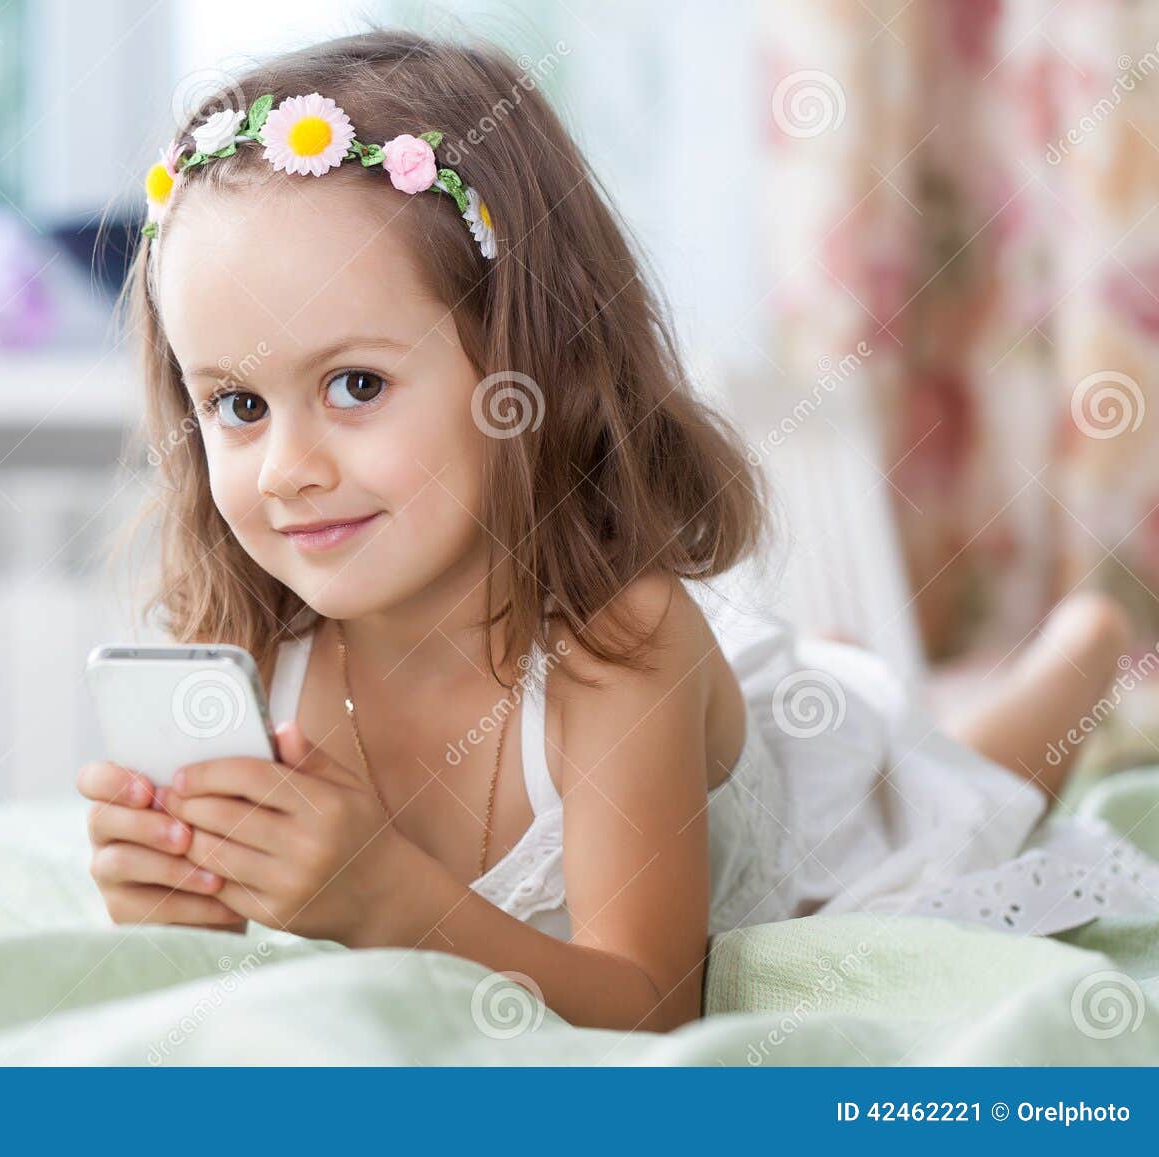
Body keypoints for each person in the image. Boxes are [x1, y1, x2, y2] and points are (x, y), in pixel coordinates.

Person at [76, 30, 1159, 1033]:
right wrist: (179, 892)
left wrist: (381, 894)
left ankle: (1087, 641)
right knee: (865, 693)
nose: (288, 469)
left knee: (976, 778)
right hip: (731, 713)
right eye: (237, 404)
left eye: (356, 383)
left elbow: (647, 1006)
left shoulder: (614, 645)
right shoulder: (261, 660)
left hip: (825, 818)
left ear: (527, 371)